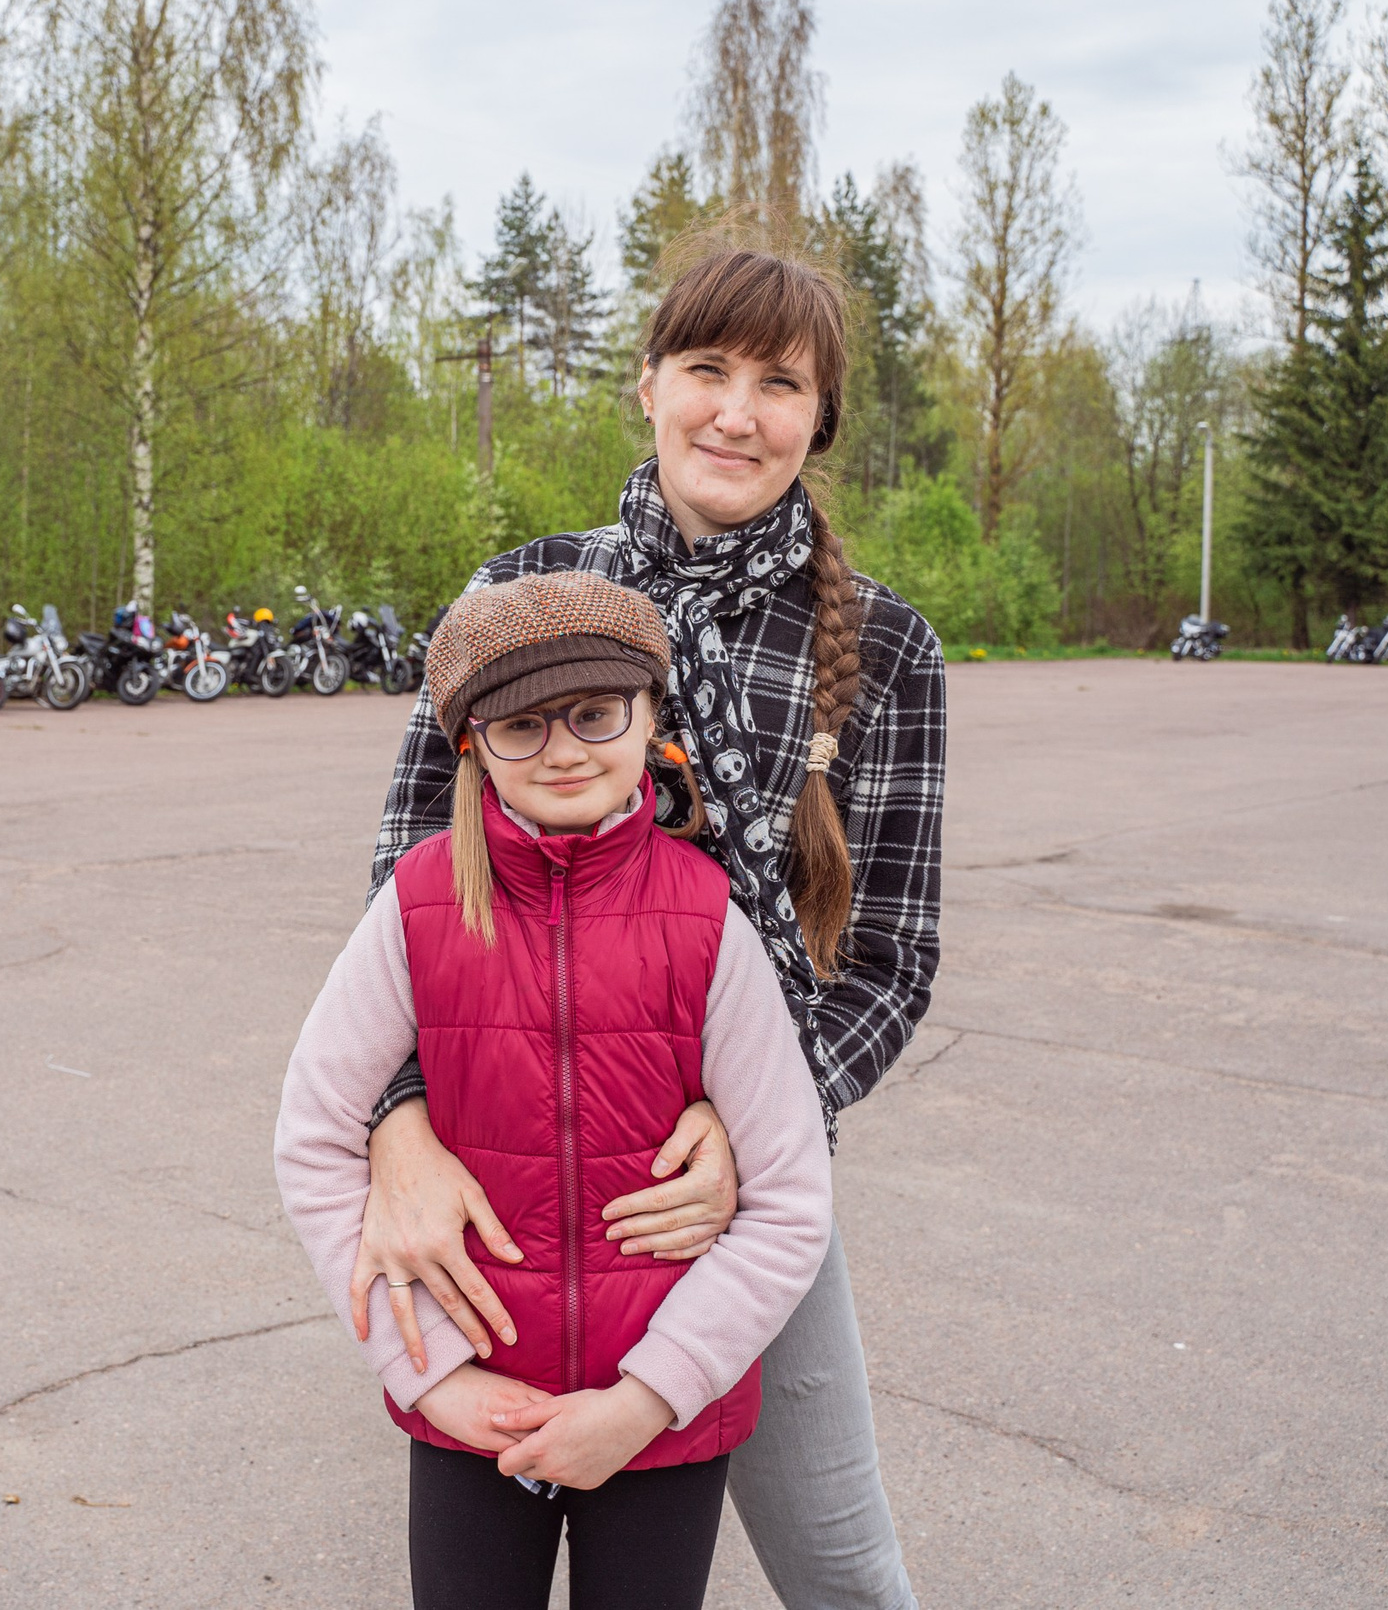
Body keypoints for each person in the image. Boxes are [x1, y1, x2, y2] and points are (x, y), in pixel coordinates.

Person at [356, 243, 944, 1609]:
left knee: (841, 1565)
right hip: (510, 1171)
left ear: (820, 418)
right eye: (707, 369)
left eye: (779, 384)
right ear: (649, 385)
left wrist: (756, 1132)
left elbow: (890, 959)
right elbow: (404, 890)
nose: (736, 412)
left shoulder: (886, 650)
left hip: (730, 1190)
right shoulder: (520, 593)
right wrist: (398, 1126)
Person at [276, 571, 834, 1610]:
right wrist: (435, 1376)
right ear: (471, 744)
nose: (564, 749)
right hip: (472, 1413)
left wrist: (648, 1396)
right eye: (522, 725)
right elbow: (314, 1135)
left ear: (651, 717)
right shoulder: (418, 905)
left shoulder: (707, 918)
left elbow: (789, 1199)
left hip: (658, 1427)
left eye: (594, 712)